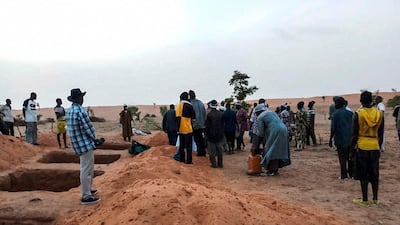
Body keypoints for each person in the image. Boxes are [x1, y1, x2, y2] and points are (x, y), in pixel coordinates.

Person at [66, 88, 101, 205]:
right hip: (85, 143)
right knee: (86, 169)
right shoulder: (81, 111)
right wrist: (95, 139)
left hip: (77, 144)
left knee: (87, 168)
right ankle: (86, 196)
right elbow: (87, 128)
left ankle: (88, 190)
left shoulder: (69, 110)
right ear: (80, 98)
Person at [351, 91, 383, 207]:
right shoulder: (379, 114)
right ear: (372, 100)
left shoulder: (358, 114)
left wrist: (352, 150)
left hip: (362, 145)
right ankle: (375, 198)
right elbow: (381, 134)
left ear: (361, 101)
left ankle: (365, 200)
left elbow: (354, 135)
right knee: (374, 173)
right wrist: (379, 147)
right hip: (375, 145)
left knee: (363, 173)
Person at [251, 104, 291, 176]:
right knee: (278, 149)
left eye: (256, 113)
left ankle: (272, 170)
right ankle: (275, 169)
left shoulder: (260, 117)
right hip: (284, 129)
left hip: (275, 131)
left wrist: (256, 146)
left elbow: (260, 133)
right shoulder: (272, 112)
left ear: (257, 112)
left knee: (270, 150)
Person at [329, 97, 354, 179]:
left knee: (342, 157)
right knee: (350, 157)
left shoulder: (335, 115)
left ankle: (344, 175)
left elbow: (333, 128)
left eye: (336, 103)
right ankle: (352, 174)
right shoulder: (350, 113)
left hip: (340, 139)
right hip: (350, 139)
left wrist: (330, 139)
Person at [176, 92, 196, 164]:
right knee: (188, 146)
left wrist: (177, 129)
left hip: (180, 129)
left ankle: (182, 159)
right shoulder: (190, 106)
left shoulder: (178, 106)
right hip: (188, 129)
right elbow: (193, 118)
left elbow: (177, 118)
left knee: (181, 146)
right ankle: (189, 161)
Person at [205, 100, 225, 168]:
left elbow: (207, 126)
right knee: (219, 150)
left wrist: (206, 135)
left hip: (211, 136)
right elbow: (223, 125)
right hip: (219, 135)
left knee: (212, 151)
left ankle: (214, 164)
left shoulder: (209, 115)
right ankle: (220, 164)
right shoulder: (221, 114)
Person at [188, 90, 206, 157]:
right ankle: (203, 152)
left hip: (194, 125)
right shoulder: (201, 103)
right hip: (202, 124)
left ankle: (199, 152)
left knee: (196, 140)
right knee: (200, 138)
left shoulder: (190, 104)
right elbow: (204, 113)